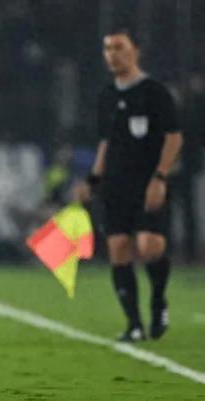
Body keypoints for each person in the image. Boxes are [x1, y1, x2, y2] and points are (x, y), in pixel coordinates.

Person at [77, 29, 182, 342]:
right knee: (119, 249)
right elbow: (106, 142)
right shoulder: (107, 96)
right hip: (115, 185)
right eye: (107, 48)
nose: (112, 54)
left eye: (119, 47)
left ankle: (158, 300)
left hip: (147, 183)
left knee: (150, 247)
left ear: (136, 51)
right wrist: (93, 179)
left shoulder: (154, 92)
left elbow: (174, 137)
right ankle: (134, 324)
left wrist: (160, 177)